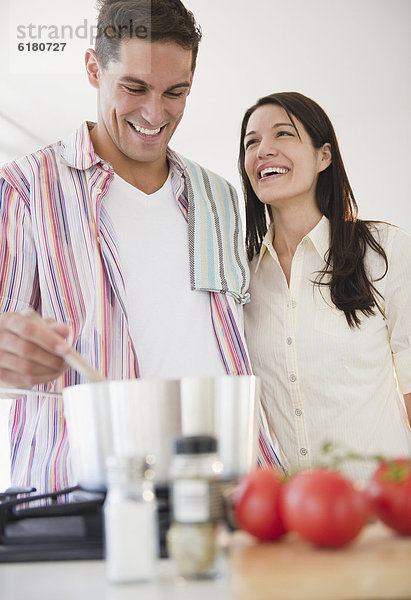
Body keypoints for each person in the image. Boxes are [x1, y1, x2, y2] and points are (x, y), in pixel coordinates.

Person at [0, 0, 279, 494]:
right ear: (93, 68)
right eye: (134, 88)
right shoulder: (23, 189)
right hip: (86, 495)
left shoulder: (218, 195)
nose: (154, 113)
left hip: (221, 491)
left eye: (176, 92)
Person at [239, 91, 411, 482]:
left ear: (323, 156)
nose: (263, 150)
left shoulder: (385, 251)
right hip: (296, 514)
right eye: (251, 142)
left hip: (387, 505)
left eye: (283, 134)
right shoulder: (240, 278)